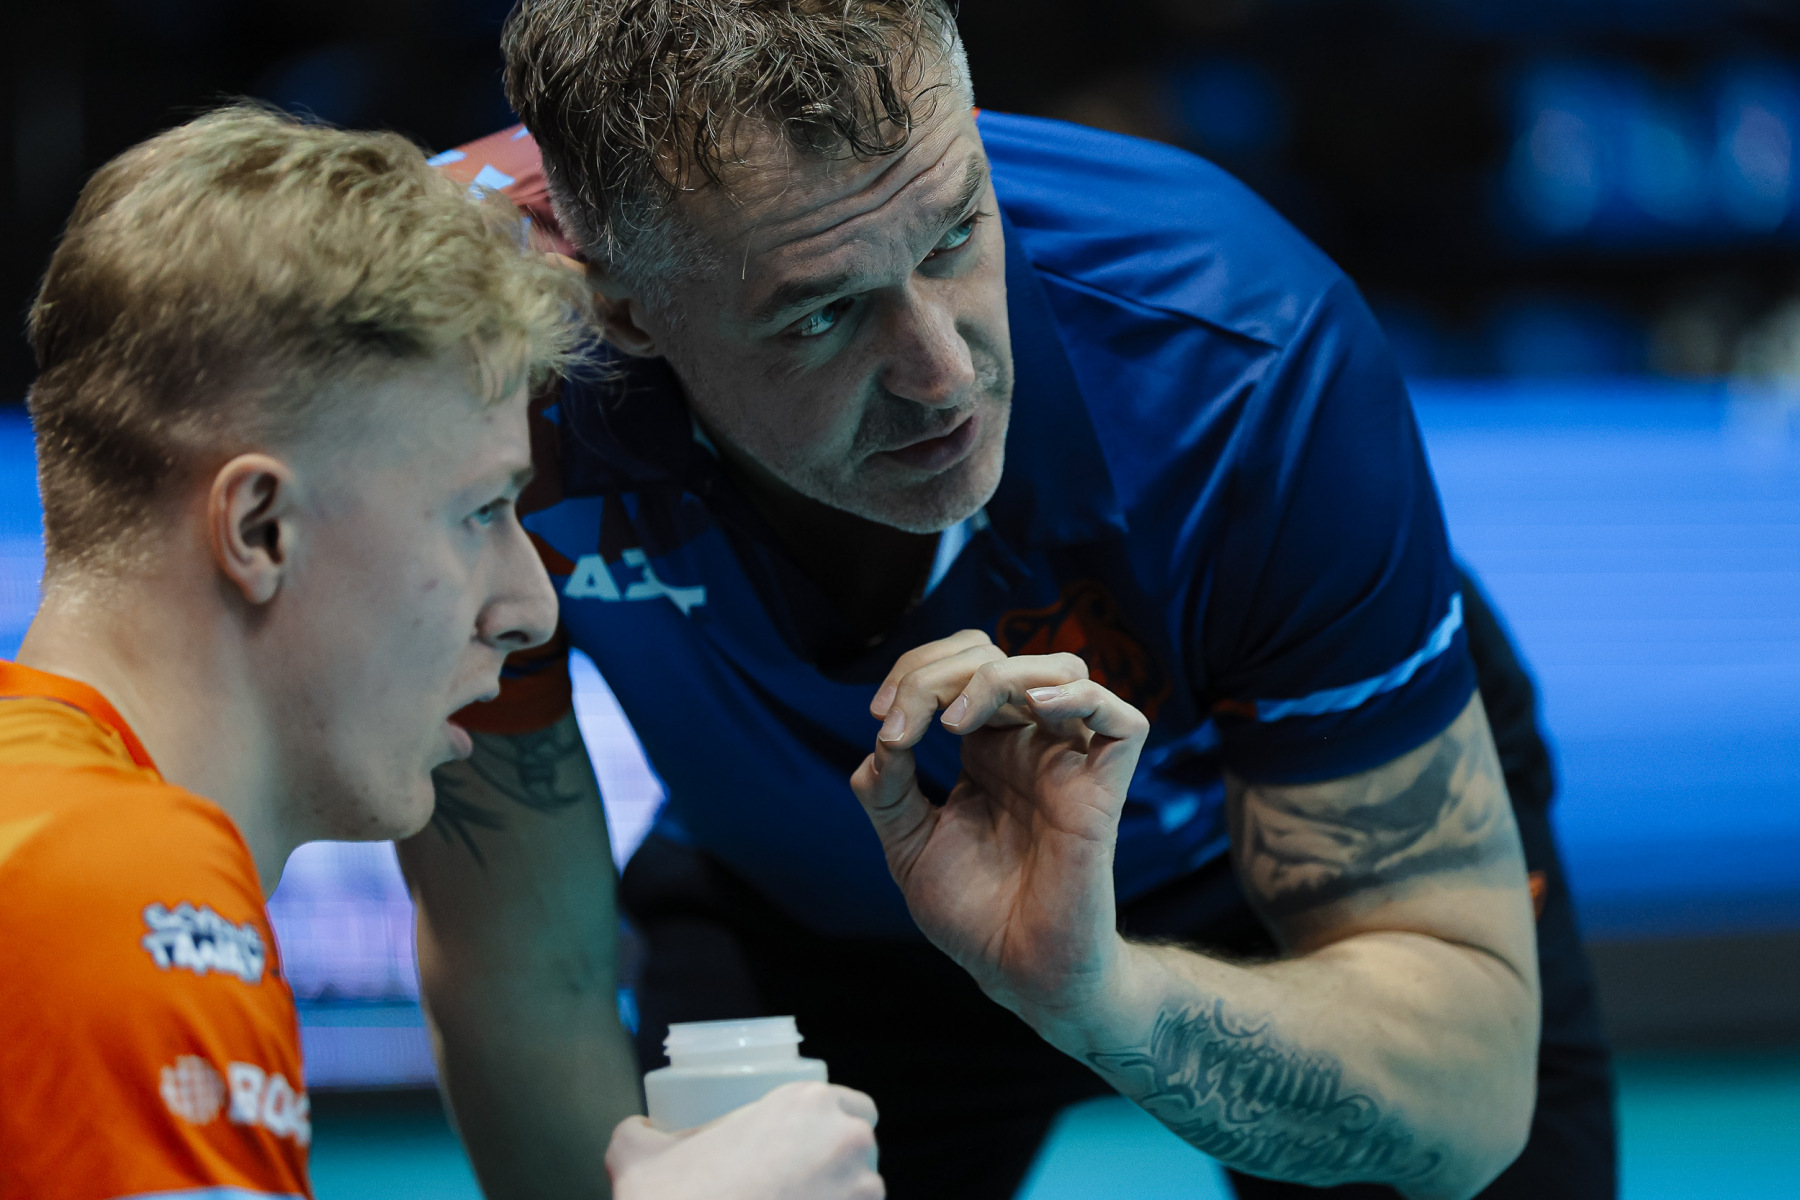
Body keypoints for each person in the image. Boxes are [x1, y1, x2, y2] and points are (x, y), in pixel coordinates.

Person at [403, 2, 1616, 1198]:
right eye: (823, 312)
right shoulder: (455, 368)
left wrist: (1098, 992)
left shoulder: (1238, 353)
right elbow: (526, 972)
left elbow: (1467, 1100)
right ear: (621, 308)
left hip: (1259, 850)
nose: (944, 376)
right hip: (805, 899)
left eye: (952, 238)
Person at [0, 103, 883, 1200]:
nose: (531, 608)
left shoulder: (56, 836)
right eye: (480, 512)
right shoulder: (118, 884)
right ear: (261, 529)